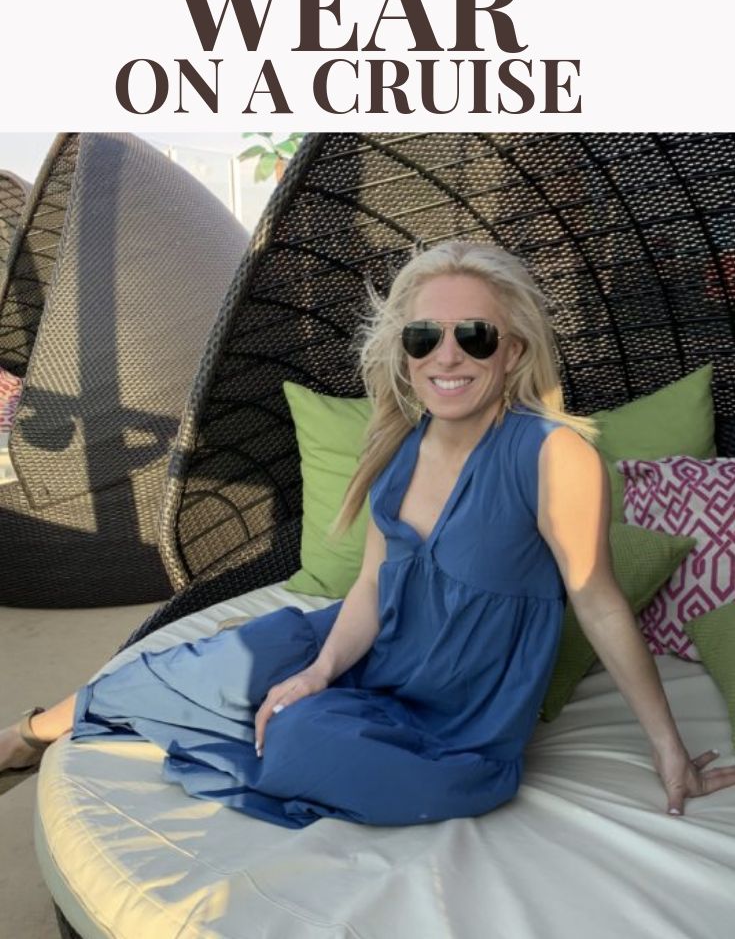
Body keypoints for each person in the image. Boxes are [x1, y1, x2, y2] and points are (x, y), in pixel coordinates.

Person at [1, 241, 734, 826]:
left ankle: (280, 719)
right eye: (424, 335)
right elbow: (373, 585)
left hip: (456, 717)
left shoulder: (550, 454)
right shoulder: (401, 447)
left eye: (473, 336)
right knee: (188, 666)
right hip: (362, 646)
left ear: (511, 352)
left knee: (306, 743)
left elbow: (599, 602)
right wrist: (318, 670)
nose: (446, 356)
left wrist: (668, 752)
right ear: (405, 351)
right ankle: (28, 736)